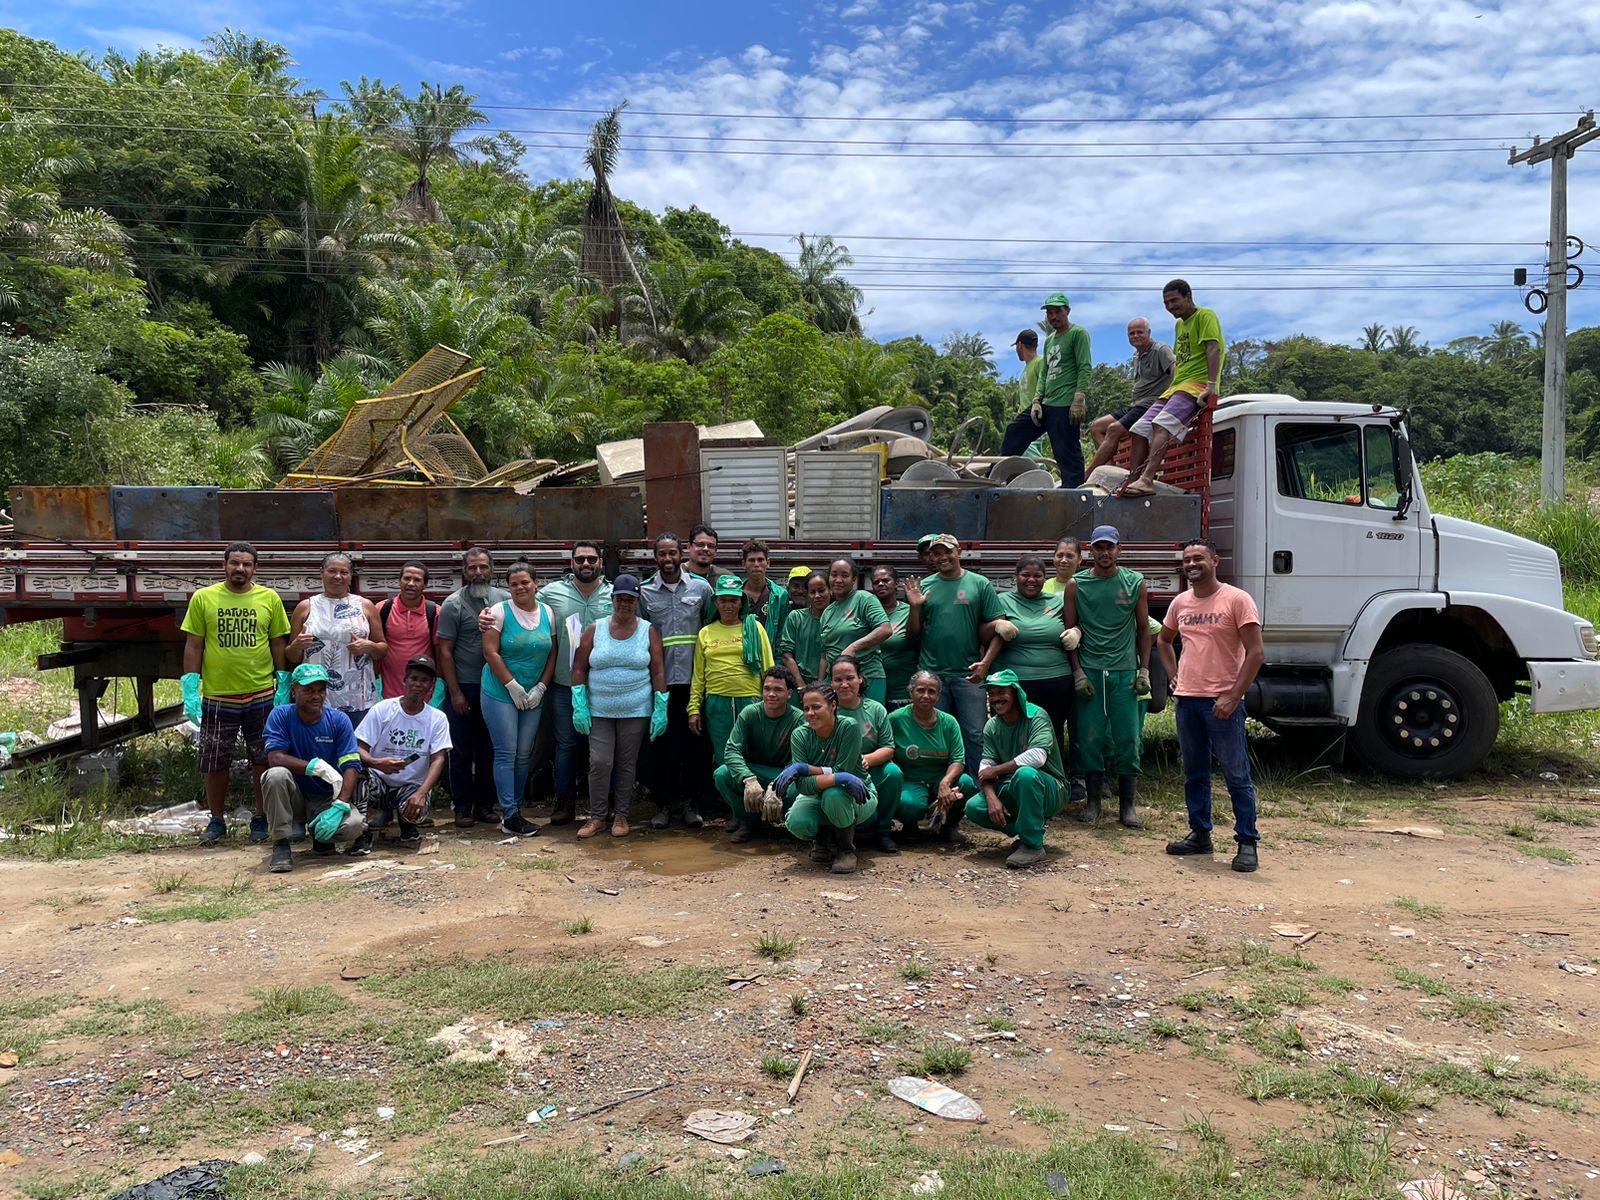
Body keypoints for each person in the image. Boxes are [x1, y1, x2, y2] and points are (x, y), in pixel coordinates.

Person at [1159, 539, 1265, 872]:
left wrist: (1233, 696)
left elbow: (1257, 652)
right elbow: (1163, 640)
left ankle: (1247, 842)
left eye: (1199, 558)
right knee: (1195, 773)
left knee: (1236, 775)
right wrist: (1173, 676)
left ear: (1215, 561)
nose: (1192, 564)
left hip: (1222, 703)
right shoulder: (1180, 602)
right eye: (1187, 560)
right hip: (1188, 700)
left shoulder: (1237, 599)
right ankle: (1200, 834)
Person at [180, 541, 290, 845]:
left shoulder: (269, 598)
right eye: (234, 563)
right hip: (218, 696)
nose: (240, 569)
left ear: (255, 568)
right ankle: (216, 820)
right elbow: (194, 644)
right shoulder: (204, 598)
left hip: (261, 694)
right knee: (215, 761)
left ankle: (260, 816)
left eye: (246, 564)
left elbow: (278, 642)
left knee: (262, 759)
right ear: (224, 565)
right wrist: (190, 684)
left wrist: (282, 679)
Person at [1063, 526, 1151, 828]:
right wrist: (1077, 672)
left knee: (1128, 736)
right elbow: (1070, 634)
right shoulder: (1077, 585)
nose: (1104, 553)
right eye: (1099, 548)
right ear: (1091, 551)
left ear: (1119, 550)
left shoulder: (1134, 582)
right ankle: (1093, 802)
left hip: (1124, 671)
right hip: (1090, 672)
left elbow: (1143, 630)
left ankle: (1128, 805)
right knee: (1089, 738)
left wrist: (1144, 670)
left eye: (1110, 547)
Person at [906, 534, 1002, 805]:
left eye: (947, 552)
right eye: (936, 553)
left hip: (967, 673)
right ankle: (940, 791)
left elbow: (999, 627)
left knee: (975, 733)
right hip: (932, 676)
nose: (942, 557)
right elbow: (913, 634)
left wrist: (986, 664)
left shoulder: (979, 584)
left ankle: (979, 789)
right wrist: (914, 607)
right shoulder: (925, 586)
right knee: (937, 734)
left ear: (959, 551)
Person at [570, 573, 668, 839]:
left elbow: (658, 671)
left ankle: (622, 815)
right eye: (620, 599)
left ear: (637, 602)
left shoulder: (648, 630)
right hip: (599, 709)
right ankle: (597, 816)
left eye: (630, 600)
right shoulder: (596, 628)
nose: (625, 604)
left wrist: (661, 706)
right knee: (600, 762)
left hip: (635, 709)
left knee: (626, 763)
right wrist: (579, 703)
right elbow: (579, 667)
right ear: (612, 600)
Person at [639, 532, 714, 829]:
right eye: (662, 554)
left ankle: (691, 804)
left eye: (672, 553)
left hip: (694, 683)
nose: (668, 559)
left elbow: (709, 630)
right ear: (655, 557)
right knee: (661, 746)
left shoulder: (702, 588)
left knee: (695, 748)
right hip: (660, 684)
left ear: (682, 553)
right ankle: (663, 805)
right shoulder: (645, 592)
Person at [1122, 280, 1225, 497]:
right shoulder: (1179, 325)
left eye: (1174, 300)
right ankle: (1133, 478)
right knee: (1139, 428)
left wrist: (1212, 386)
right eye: (1166, 302)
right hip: (1176, 387)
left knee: (1162, 424)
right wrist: (1170, 390)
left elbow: (1213, 348)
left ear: (1188, 296)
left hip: (1196, 385)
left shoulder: (1205, 315)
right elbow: (1180, 362)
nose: (1170, 306)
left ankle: (1147, 479)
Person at [974, 554, 1076, 768]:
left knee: (1052, 732)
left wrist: (1076, 632)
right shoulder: (1002, 600)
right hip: (1013, 685)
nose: (1032, 580)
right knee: (1010, 733)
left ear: (1044, 578)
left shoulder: (1057, 602)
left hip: (1056, 681)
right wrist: (996, 626)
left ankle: (1052, 781)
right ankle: (1007, 779)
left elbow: (1076, 624)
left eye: (1038, 576)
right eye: (1025, 575)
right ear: (1015, 577)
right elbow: (981, 634)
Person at [689, 575, 775, 827]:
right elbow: (698, 675)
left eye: (733, 600)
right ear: (715, 602)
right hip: (717, 703)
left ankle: (758, 809)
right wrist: (694, 708)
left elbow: (768, 666)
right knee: (725, 758)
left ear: (741, 603)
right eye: (723, 600)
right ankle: (738, 812)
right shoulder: (706, 633)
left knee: (750, 754)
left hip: (750, 701)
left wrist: (770, 699)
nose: (728, 605)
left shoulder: (753, 627)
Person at [538, 540, 613, 825]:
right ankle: (565, 801)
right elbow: (524, 609)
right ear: (571, 563)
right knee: (566, 745)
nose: (586, 565)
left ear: (600, 563)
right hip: (564, 685)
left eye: (591, 560)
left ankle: (602, 804)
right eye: (580, 559)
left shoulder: (613, 594)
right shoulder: (551, 593)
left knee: (603, 747)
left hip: (603, 685)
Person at [262, 663, 365, 873]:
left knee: (354, 825)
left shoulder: (339, 720)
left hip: (326, 797)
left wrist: (341, 804)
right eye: (308, 690)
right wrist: (314, 766)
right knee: (275, 776)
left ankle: (321, 837)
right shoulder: (280, 715)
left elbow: (352, 765)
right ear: (294, 690)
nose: (316, 696)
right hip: (295, 796)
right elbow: (275, 757)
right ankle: (281, 844)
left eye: (320, 690)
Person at [480, 561, 556, 837]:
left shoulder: (548, 612)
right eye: (513, 584)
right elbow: (491, 652)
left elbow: (552, 653)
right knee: (506, 752)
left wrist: (541, 687)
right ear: (508, 588)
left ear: (536, 583)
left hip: (533, 693)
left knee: (525, 754)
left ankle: (517, 807)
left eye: (525, 582)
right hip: (500, 692)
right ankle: (509, 814)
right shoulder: (498, 612)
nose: (520, 587)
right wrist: (512, 685)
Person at [964, 670, 1066, 868]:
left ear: (1015, 693)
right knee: (974, 807)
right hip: (1011, 785)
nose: (995, 699)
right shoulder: (992, 726)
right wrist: (992, 798)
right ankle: (1026, 828)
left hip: (1050, 788)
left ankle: (1032, 845)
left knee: (1025, 774)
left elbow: (1038, 756)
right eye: (991, 693)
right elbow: (986, 767)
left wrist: (996, 771)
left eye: (1001, 693)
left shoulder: (1037, 716)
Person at [774, 682, 878, 874]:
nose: (810, 713)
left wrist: (805, 769)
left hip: (858, 794)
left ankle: (846, 850)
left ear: (833, 706)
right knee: (797, 821)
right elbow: (804, 786)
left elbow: (842, 770)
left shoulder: (848, 728)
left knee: (834, 795)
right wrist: (808, 771)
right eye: (806, 708)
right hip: (816, 794)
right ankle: (822, 839)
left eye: (816, 707)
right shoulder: (800, 735)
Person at [437, 548, 508, 827]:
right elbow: (445, 651)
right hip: (465, 687)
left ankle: (485, 805)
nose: (478, 573)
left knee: (491, 748)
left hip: (497, 687)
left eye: (483, 567)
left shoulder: (504, 600)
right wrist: (454, 692)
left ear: (492, 569)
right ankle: (462, 807)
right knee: (461, 751)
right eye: (472, 568)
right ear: (464, 572)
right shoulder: (453, 604)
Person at [355, 654, 451, 850]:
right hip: (379, 780)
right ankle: (361, 833)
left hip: (411, 785)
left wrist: (422, 793)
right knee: (356, 776)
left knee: (418, 810)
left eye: (424, 680)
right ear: (404, 680)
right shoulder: (382, 709)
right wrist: (377, 763)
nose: (418, 684)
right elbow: (358, 748)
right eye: (414, 678)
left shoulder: (437, 718)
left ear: (431, 686)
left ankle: (408, 825)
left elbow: (439, 758)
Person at [1000, 293, 1092, 488]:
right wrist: (1036, 400)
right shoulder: (1050, 340)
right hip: (1046, 403)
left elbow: (1084, 366)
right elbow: (1045, 373)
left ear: (1067, 311)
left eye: (1058, 311)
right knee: (1015, 430)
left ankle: (1075, 496)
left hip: (1065, 404)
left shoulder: (1078, 333)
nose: (1053, 317)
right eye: (1049, 313)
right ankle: (997, 475)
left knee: (1065, 453)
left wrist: (1079, 398)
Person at [286, 552, 385, 729]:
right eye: (332, 571)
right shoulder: (306, 607)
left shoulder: (365, 605)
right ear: (322, 572)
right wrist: (296, 646)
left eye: (344, 572)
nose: (338, 576)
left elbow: (383, 648)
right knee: (319, 749)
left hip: (358, 696)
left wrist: (369, 646)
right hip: (315, 697)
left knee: (356, 750)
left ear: (351, 576)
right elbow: (292, 657)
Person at [714, 666, 804, 844]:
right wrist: (748, 779)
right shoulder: (750, 713)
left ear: (789, 694)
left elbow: (799, 761)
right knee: (722, 774)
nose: (771, 694)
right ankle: (748, 822)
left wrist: (777, 784)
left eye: (778, 689)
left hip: (784, 775)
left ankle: (788, 821)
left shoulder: (798, 719)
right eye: (767, 688)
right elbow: (732, 749)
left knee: (802, 787)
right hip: (754, 773)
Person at [886, 671, 975, 836]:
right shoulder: (895, 719)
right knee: (908, 804)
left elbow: (958, 759)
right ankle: (910, 826)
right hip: (910, 779)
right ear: (911, 691)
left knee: (967, 783)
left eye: (932, 691)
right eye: (920, 690)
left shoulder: (949, 722)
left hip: (940, 778)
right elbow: (885, 751)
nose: (926, 696)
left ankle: (949, 825)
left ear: (938, 696)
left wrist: (945, 783)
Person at [1086, 318, 1176, 476]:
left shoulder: (1161, 349)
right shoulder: (1136, 356)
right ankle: (1110, 471)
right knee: (1097, 427)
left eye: (1139, 332)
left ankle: (1087, 473)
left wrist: (1171, 400)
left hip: (1151, 404)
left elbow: (1175, 372)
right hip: (1136, 404)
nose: (1135, 336)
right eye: (1131, 333)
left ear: (1148, 333)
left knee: (1114, 429)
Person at [830, 655, 901, 854]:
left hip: (870, 768)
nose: (844, 684)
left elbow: (888, 747)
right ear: (831, 682)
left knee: (893, 773)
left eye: (850, 678)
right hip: (836, 770)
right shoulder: (826, 709)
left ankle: (883, 831)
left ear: (860, 679)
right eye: (838, 679)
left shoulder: (876, 709)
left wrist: (866, 759)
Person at [820, 559, 892, 704]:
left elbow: (885, 629)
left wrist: (854, 647)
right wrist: (821, 683)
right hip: (836, 680)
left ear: (854, 579)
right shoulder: (827, 612)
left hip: (867, 675)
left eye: (844, 575)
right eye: (834, 575)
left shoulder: (864, 599)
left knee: (869, 724)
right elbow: (825, 654)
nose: (838, 580)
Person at [377, 562, 440, 703]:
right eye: (406, 578)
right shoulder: (382, 609)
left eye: (417, 580)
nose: (411, 583)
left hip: (424, 694)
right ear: (399, 581)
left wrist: (439, 686)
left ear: (425, 584)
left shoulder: (435, 612)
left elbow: (440, 652)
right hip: (389, 694)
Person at [870, 565, 917, 709]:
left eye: (886, 580)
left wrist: (916, 606)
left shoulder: (908, 611)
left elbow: (917, 639)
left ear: (896, 583)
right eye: (876, 582)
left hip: (901, 692)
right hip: (872, 690)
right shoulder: (867, 613)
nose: (880, 584)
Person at [726, 539, 790, 645]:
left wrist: (777, 660)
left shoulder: (780, 595)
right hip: (739, 654)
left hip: (770, 657)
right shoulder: (735, 594)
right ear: (744, 564)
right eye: (751, 560)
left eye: (760, 560)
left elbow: (782, 633)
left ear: (768, 563)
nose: (756, 564)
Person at [780, 572, 830, 700]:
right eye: (812, 592)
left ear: (830, 591)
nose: (817, 596)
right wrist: (800, 683)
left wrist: (820, 685)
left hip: (830, 684)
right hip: (799, 685)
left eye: (821, 590)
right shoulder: (795, 617)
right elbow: (786, 655)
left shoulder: (837, 618)